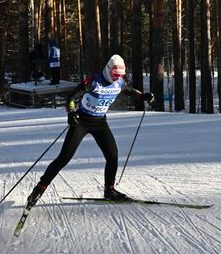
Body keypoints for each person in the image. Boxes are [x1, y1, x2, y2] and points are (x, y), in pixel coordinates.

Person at [26, 54, 154, 206]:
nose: (116, 78)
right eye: (114, 74)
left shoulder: (119, 82)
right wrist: (71, 113)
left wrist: (143, 96)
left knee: (112, 156)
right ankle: (38, 190)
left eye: (120, 75)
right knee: (64, 158)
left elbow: (130, 90)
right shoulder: (94, 82)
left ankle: (109, 190)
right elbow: (71, 98)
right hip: (81, 122)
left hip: (100, 123)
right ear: (107, 70)